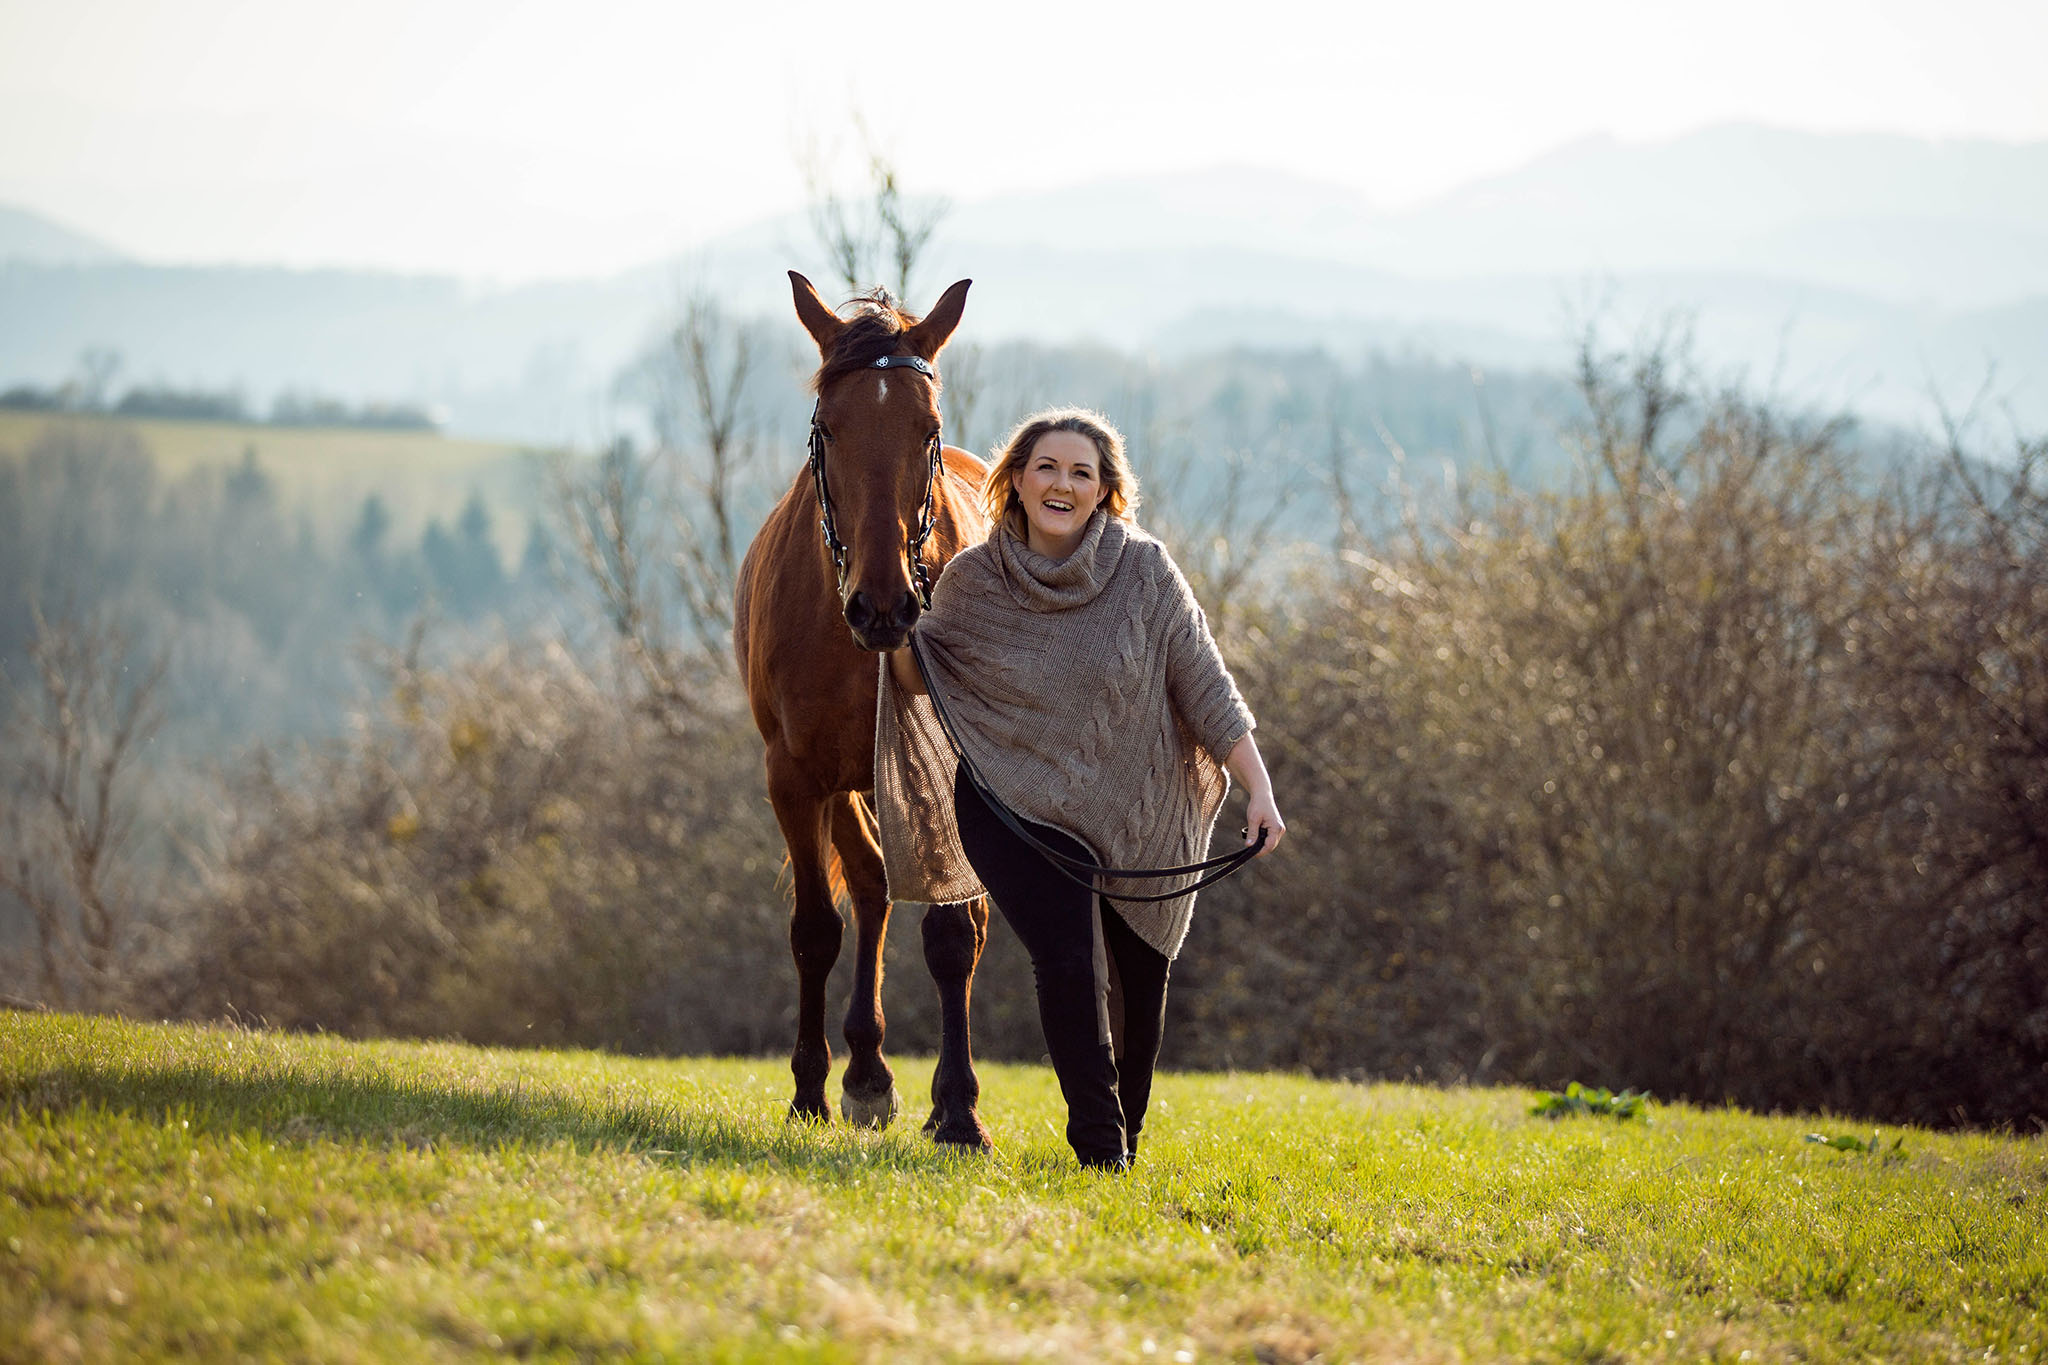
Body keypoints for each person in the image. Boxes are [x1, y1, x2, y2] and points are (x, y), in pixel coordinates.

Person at [876, 406, 1285, 1170]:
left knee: (1141, 977)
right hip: (1009, 802)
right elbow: (918, 675)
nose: (1062, 482)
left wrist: (1258, 789)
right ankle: (1101, 1150)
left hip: (1131, 802)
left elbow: (1207, 687)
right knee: (1068, 957)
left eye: (1081, 472)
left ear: (1105, 491)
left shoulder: (1146, 570)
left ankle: (1123, 1128)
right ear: (1017, 481)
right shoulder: (971, 581)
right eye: (1047, 467)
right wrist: (890, 621)